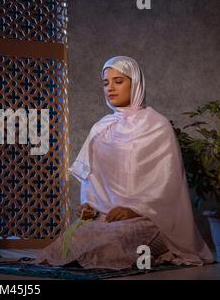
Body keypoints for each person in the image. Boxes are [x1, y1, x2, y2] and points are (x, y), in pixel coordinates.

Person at [36, 56, 214, 269]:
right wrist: (89, 206)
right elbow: (92, 181)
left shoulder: (158, 125)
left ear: (135, 83)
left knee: (108, 246)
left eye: (118, 81)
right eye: (105, 83)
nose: (110, 88)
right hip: (106, 217)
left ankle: (156, 251)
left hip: (148, 218)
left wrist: (134, 209)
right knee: (66, 245)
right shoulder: (101, 128)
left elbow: (168, 187)